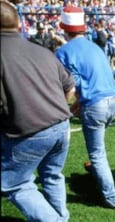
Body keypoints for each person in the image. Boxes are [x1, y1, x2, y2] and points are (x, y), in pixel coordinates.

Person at [1, 1, 75, 221]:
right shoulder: (40, 49)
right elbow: (70, 88)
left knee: (16, 185)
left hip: (29, 130)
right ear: (17, 23)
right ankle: (60, 217)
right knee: (52, 175)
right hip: (61, 125)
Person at [55, 6, 115, 208]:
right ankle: (99, 174)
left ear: (64, 29)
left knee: (97, 154)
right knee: (98, 150)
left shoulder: (63, 52)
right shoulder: (95, 47)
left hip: (95, 105)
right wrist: (78, 105)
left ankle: (111, 198)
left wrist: (63, 108)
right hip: (113, 102)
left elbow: (71, 86)